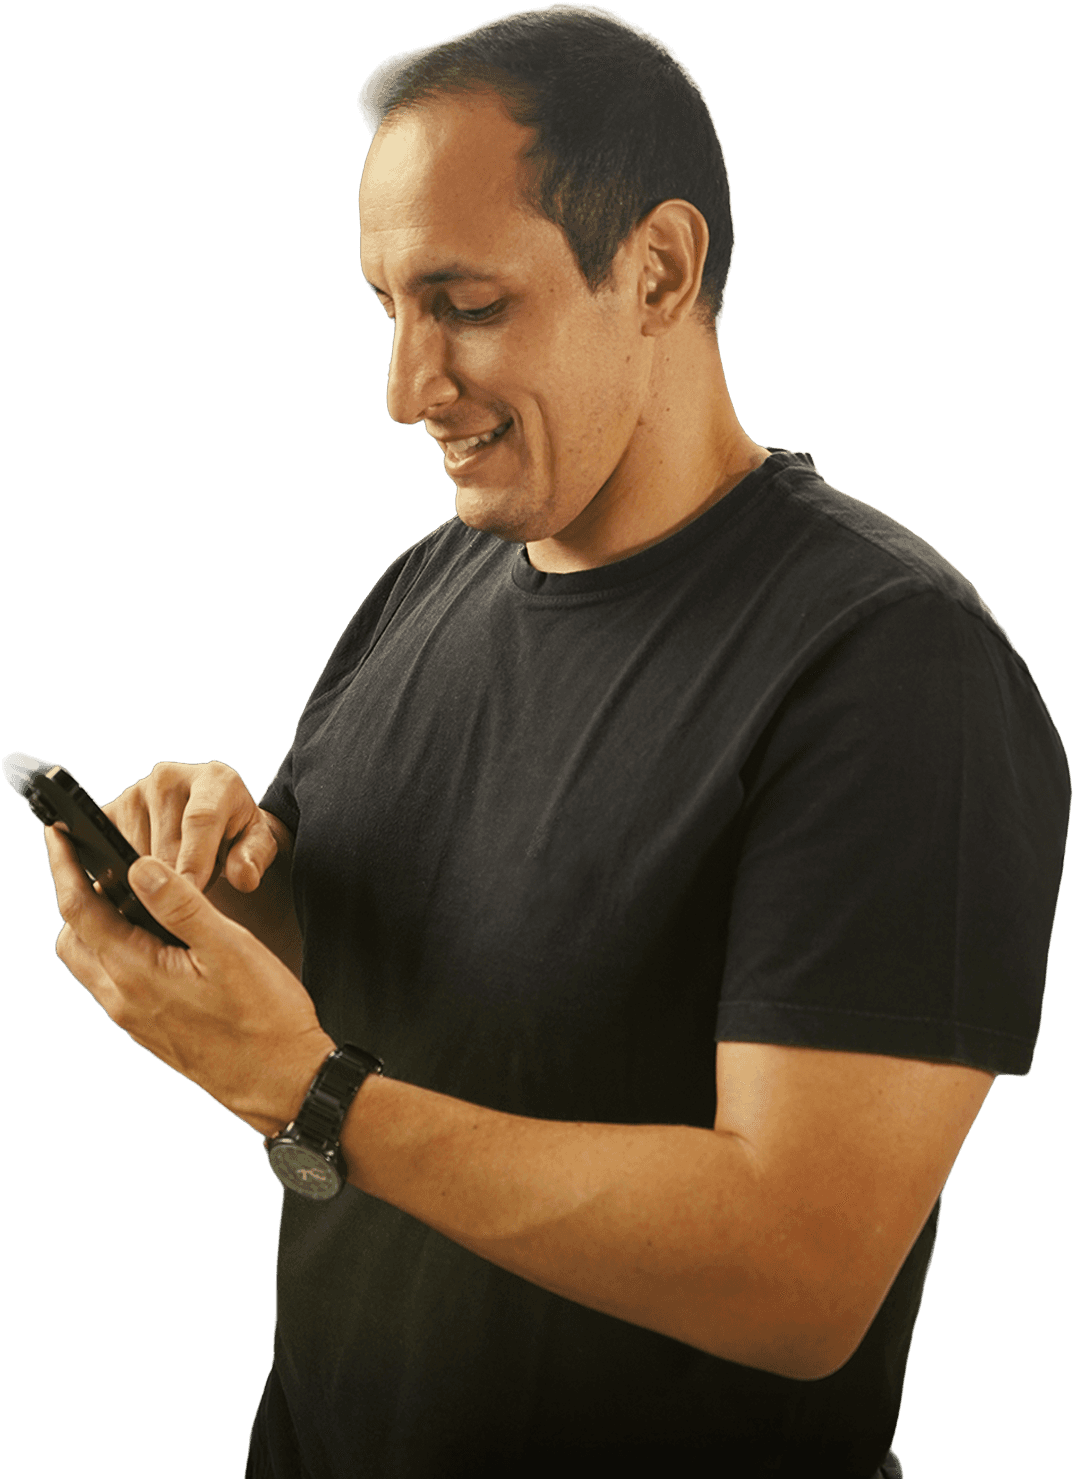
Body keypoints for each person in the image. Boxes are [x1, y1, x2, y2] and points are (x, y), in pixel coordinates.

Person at [43, 9, 1069, 1478]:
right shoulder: (426, 585)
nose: (406, 386)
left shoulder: (894, 666)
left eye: (464, 304)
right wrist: (214, 894)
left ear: (658, 269)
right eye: (386, 307)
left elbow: (801, 1275)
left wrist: (314, 1097)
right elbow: (423, 999)